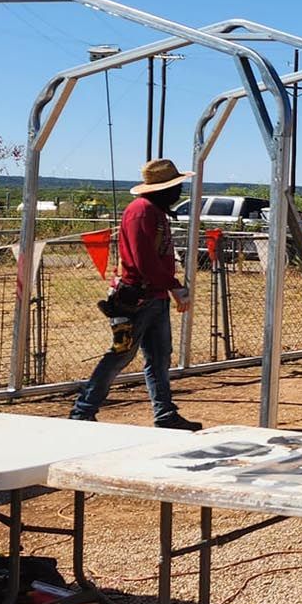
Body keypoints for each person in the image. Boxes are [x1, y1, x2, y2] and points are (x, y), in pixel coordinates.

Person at [70, 158, 203, 429]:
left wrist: (168, 287)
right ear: (163, 189)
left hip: (153, 296)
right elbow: (144, 261)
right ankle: (83, 410)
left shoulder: (153, 211)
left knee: (158, 357)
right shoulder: (142, 212)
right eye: (175, 186)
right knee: (122, 354)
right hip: (137, 297)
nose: (178, 192)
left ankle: (165, 414)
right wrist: (174, 285)